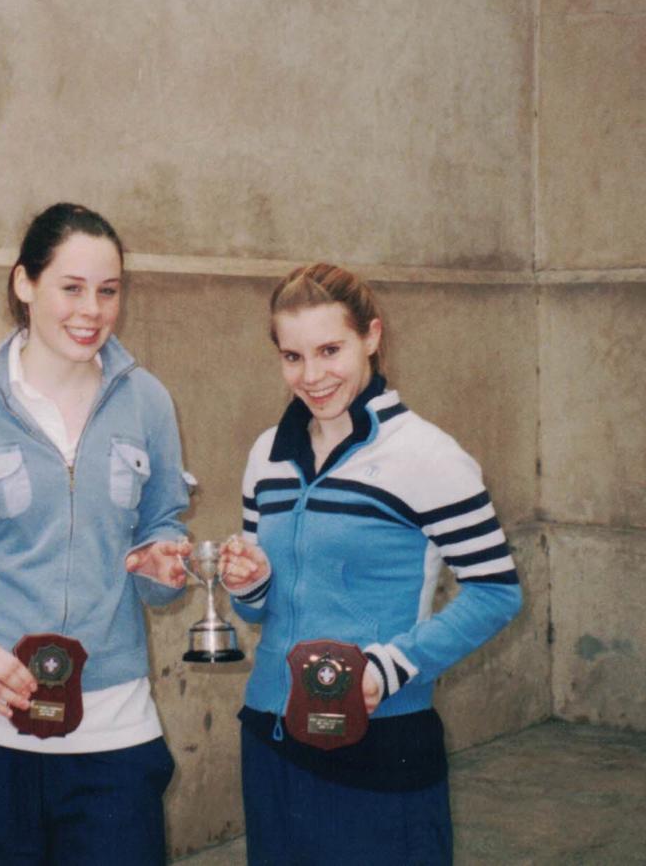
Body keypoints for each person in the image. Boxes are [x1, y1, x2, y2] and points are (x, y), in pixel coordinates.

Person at [0, 203, 191, 866]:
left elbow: (161, 531)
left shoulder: (149, 404)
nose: (92, 311)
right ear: (25, 283)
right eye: (72, 288)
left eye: (108, 291)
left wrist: (160, 566)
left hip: (112, 733)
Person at [218, 262, 522, 865]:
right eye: (293, 356)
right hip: (271, 739)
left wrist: (389, 667)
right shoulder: (266, 456)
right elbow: (256, 608)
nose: (313, 375)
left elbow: (496, 591)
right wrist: (248, 583)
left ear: (372, 337)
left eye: (330, 350)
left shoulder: (427, 456)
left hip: (379, 743)